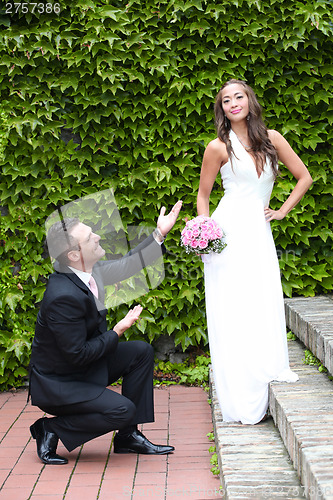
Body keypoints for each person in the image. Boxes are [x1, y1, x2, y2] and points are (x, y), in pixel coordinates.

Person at [28, 200, 182, 464]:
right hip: (60, 384)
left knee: (141, 352)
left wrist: (159, 234)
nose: (97, 236)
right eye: (89, 237)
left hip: (81, 368)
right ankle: (50, 429)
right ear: (74, 255)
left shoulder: (89, 271)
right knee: (122, 410)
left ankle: (127, 437)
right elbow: (78, 355)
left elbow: (127, 265)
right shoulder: (62, 297)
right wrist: (118, 330)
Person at [197, 79, 313, 424]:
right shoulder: (217, 147)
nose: (233, 103)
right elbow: (203, 195)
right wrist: (206, 231)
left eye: (239, 96)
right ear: (222, 109)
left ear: (249, 100)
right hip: (227, 234)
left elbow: (304, 177)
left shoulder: (273, 139)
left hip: (258, 233)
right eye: (226, 100)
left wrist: (281, 211)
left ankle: (262, 365)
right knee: (233, 304)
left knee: (261, 297)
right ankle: (239, 380)